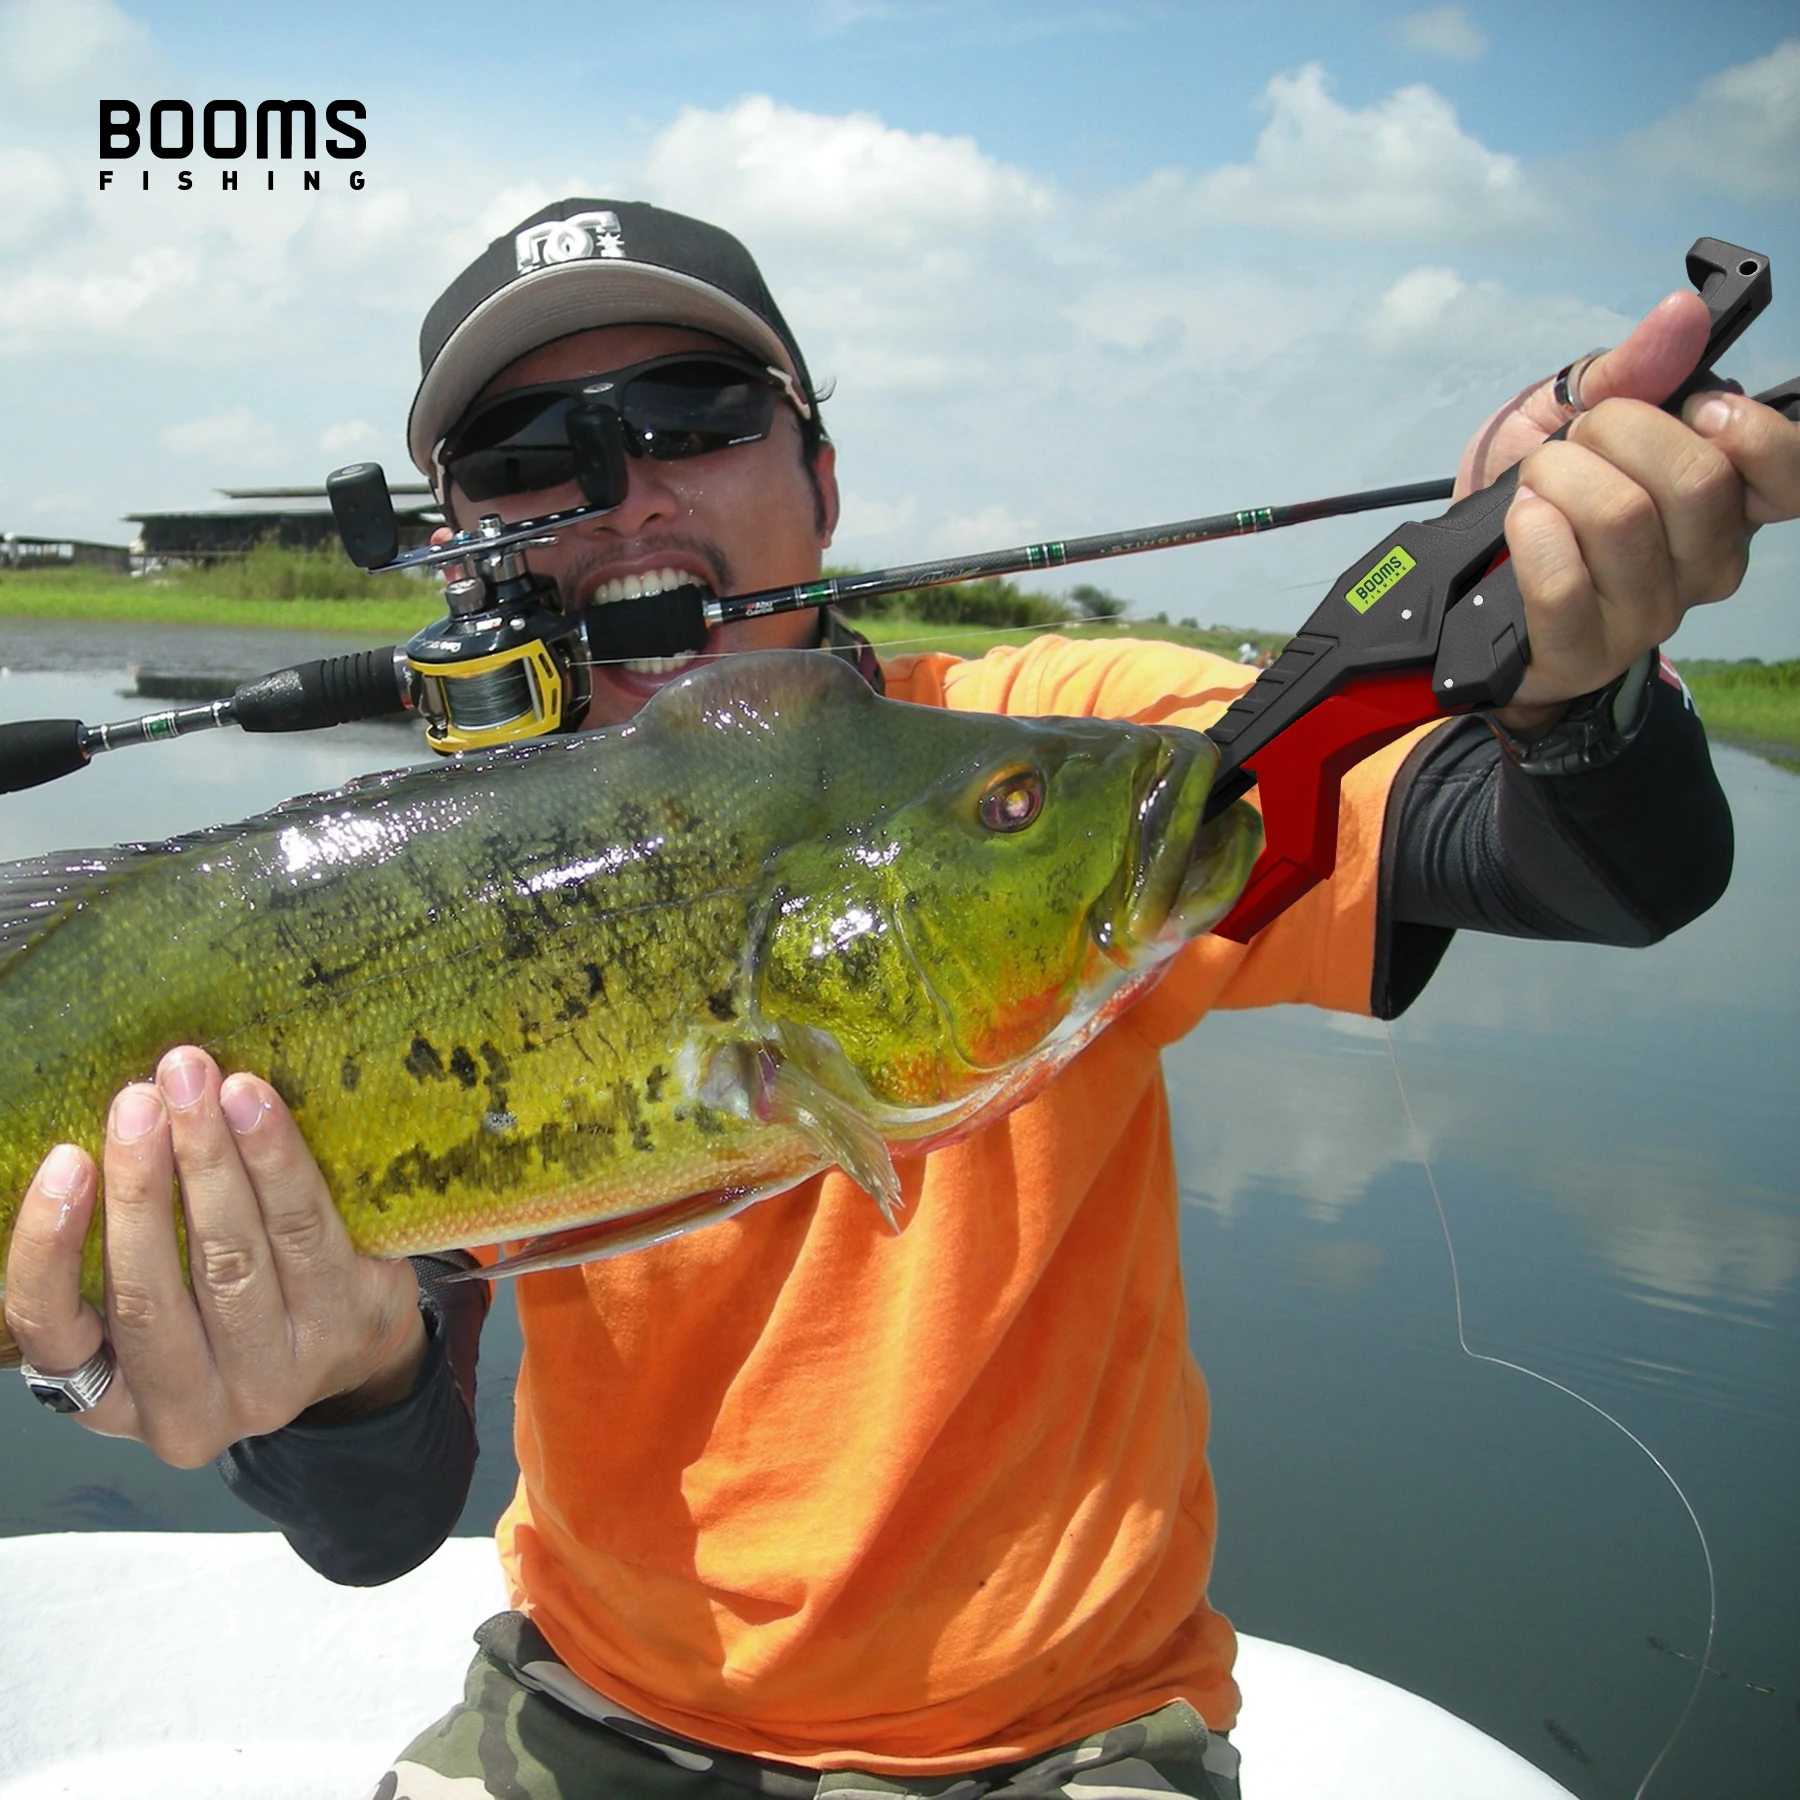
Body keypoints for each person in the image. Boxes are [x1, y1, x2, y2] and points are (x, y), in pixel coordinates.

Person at [7, 198, 1796, 1800]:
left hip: (1061, 1745)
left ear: (824, 475)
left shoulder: (1034, 751)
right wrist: (313, 1381)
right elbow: (382, 1524)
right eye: (526, 453)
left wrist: (1567, 673)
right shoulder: (420, 897)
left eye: (695, 415)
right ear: (461, 536)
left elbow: (1584, 867)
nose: (626, 489)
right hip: (585, 1709)